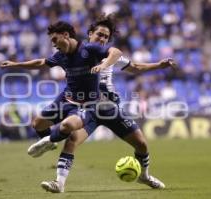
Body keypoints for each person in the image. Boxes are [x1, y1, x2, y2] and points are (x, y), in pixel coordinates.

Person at [37, 15, 177, 193]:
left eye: (106, 36)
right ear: (90, 34)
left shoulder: (109, 55)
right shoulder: (79, 52)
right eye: (99, 34)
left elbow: (135, 67)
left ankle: (144, 176)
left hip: (110, 108)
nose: (102, 39)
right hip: (89, 108)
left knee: (141, 144)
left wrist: (158, 65)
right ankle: (59, 183)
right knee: (72, 140)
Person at [1, 21, 123, 153]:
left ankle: (50, 140)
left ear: (65, 35)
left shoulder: (88, 49)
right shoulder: (60, 55)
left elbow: (116, 53)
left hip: (85, 103)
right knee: (37, 124)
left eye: (54, 39)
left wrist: (103, 66)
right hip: (66, 97)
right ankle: (49, 143)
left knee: (68, 125)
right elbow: (41, 62)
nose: (53, 44)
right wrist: (15, 64)